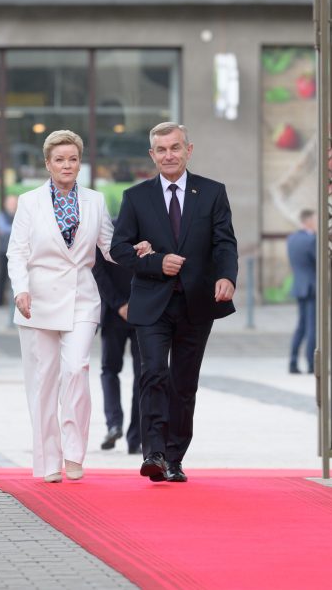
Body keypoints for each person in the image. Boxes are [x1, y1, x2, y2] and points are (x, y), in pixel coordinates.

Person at [111, 122, 238, 484]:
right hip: (152, 302)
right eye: (161, 150)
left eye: (175, 148)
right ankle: (153, 452)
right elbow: (119, 248)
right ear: (152, 155)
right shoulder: (136, 197)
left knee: (184, 383)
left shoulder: (213, 193)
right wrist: (154, 262)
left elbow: (224, 242)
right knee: (153, 373)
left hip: (197, 303)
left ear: (188, 150)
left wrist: (227, 277)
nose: (169, 155)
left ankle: (174, 455)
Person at [7, 130, 129, 483]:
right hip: (38, 302)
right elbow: (17, 252)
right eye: (59, 159)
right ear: (47, 164)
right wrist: (21, 290)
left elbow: (109, 246)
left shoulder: (96, 200)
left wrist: (138, 250)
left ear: (80, 163)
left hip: (82, 298)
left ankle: (74, 453)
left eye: (72, 159)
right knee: (43, 383)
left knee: (76, 369)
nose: (66, 165)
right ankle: (48, 461)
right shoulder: (30, 202)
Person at [93, 243, 142, 454]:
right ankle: (118, 427)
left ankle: (133, 436)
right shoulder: (106, 230)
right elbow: (97, 270)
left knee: (143, 375)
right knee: (110, 370)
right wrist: (120, 304)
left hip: (143, 314)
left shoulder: (151, 228)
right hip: (115, 315)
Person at [287, 208, 317, 375]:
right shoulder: (311, 240)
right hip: (312, 286)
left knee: (301, 326)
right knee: (312, 327)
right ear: (308, 222)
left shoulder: (292, 238)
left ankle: (292, 362)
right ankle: (312, 363)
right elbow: (321, 262)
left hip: (299, 285)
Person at [0, 194, 18, 307]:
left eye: (14, 203)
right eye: (10, 203)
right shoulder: (2, 215)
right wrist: (18, 228)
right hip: (4, 250)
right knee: (2, 277)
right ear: (6, 204)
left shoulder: (20, 215)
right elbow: (3, 228)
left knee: (18, 278)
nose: (12, 205)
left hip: (17, 252)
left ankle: (16, 303)